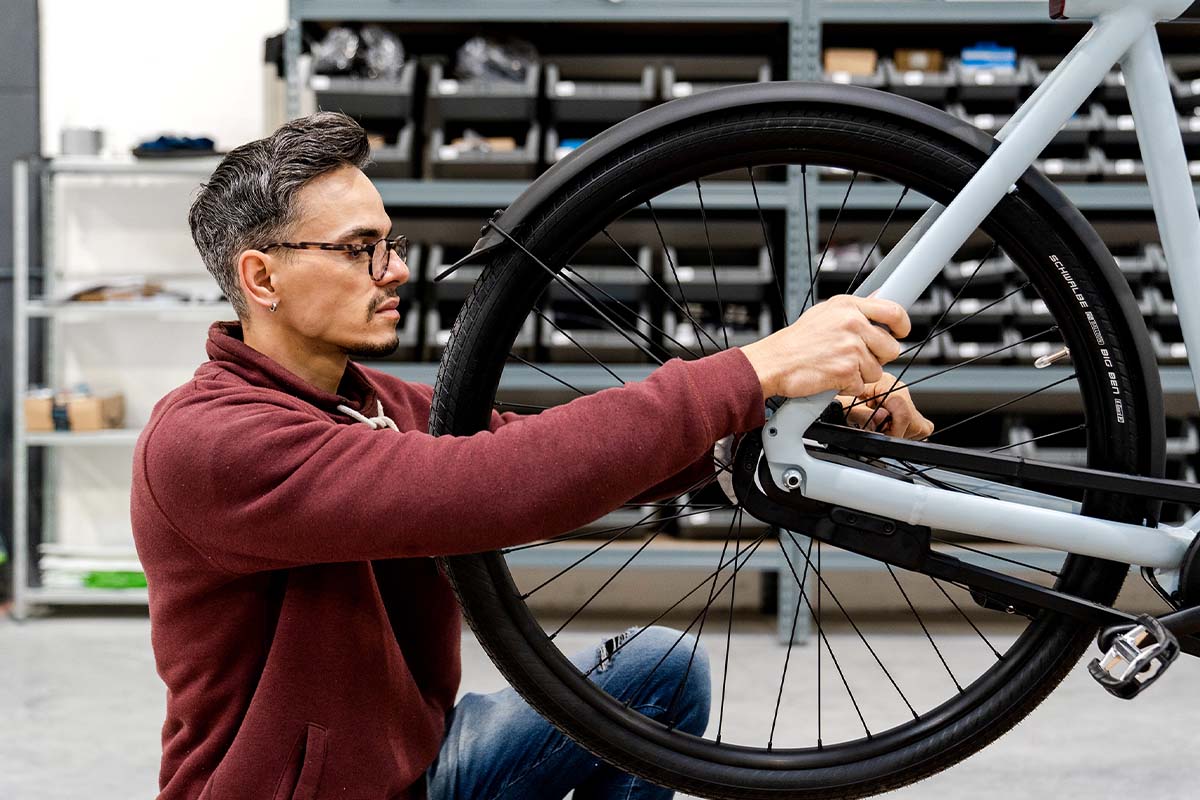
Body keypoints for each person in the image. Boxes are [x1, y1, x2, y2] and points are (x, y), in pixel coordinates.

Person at [130, 111, 933, 800]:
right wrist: (749, 368)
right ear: (261, 277)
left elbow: (536, 452)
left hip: (420, 757)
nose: (397, 269)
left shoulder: (371, 401)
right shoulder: (209, 442)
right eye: (360, 248)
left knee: (660, 670)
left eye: (392, 242)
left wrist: (771, 419)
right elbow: (478, 486)